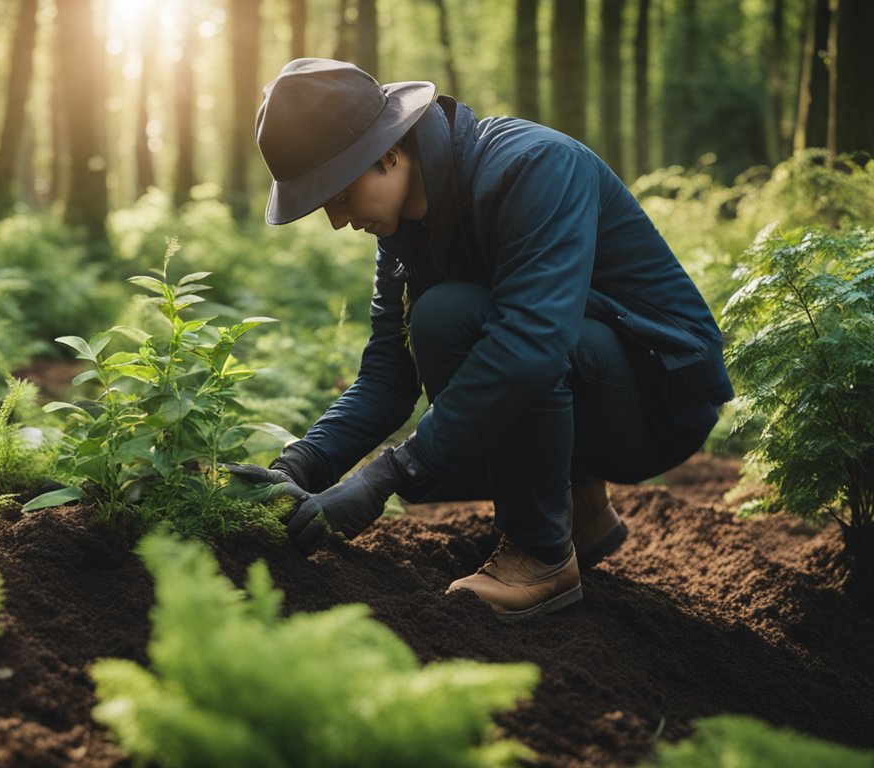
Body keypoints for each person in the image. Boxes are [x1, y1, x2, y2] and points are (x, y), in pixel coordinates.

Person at [226, 58, 733, 621]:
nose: (337, 222)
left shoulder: (534, 166)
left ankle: (541, 553)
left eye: (338, 196)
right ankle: (579, 511)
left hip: (660, 399)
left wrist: (384, 475)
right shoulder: (403, 235)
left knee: (449, 317)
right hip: (589, 384)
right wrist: (299, 465)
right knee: (446, 331)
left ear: (386, 152)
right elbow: (389, 377)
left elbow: (532, 343)